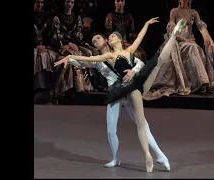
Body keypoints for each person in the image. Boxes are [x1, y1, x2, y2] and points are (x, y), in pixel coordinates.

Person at [54, 17, 186, 172]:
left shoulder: (123, 52)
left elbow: (140, 64)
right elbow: (84, 60)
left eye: (98, 38)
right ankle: (116, 158)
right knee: (111, 129)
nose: (96, 41)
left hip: (130, 89)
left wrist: (133, 71)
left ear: (106, 40)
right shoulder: (99, 60)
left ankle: (160, 155)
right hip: (115, 93)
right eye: (93, 40)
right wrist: (69, 58)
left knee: (142, 124)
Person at [144, 0, 214, 100]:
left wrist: (206, 36)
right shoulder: (174, 11)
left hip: (190, 41)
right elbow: (173, 31)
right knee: (193, 47)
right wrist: (186, 40)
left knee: (198, 49)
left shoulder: (193, 12)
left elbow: (200, 25)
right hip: (178, 41)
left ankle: (200, 83)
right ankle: (203, 80)